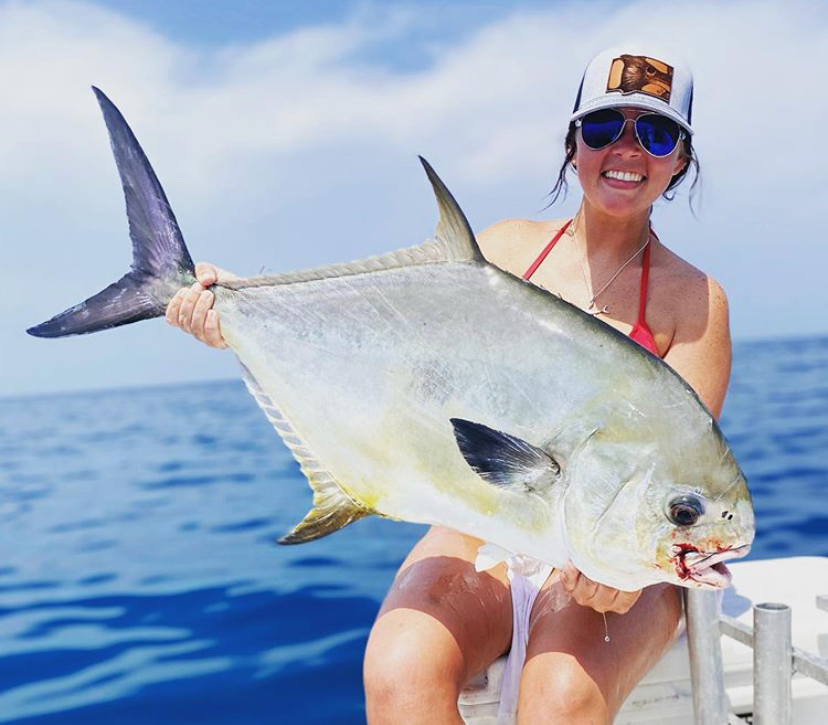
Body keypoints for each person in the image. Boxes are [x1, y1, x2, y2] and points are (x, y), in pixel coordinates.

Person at [166, 46, 732, 725]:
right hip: (482, 521)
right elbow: (395, 353)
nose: (628, 149)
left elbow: (683, 476)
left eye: (657, 133)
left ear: (681, 160)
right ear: (573, 144)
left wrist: (621, 571)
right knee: (400, 669)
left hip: (620, 559)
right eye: (606, 127)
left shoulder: (695, 300)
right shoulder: (503, 252)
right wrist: (236, 310)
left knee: (559, 698)